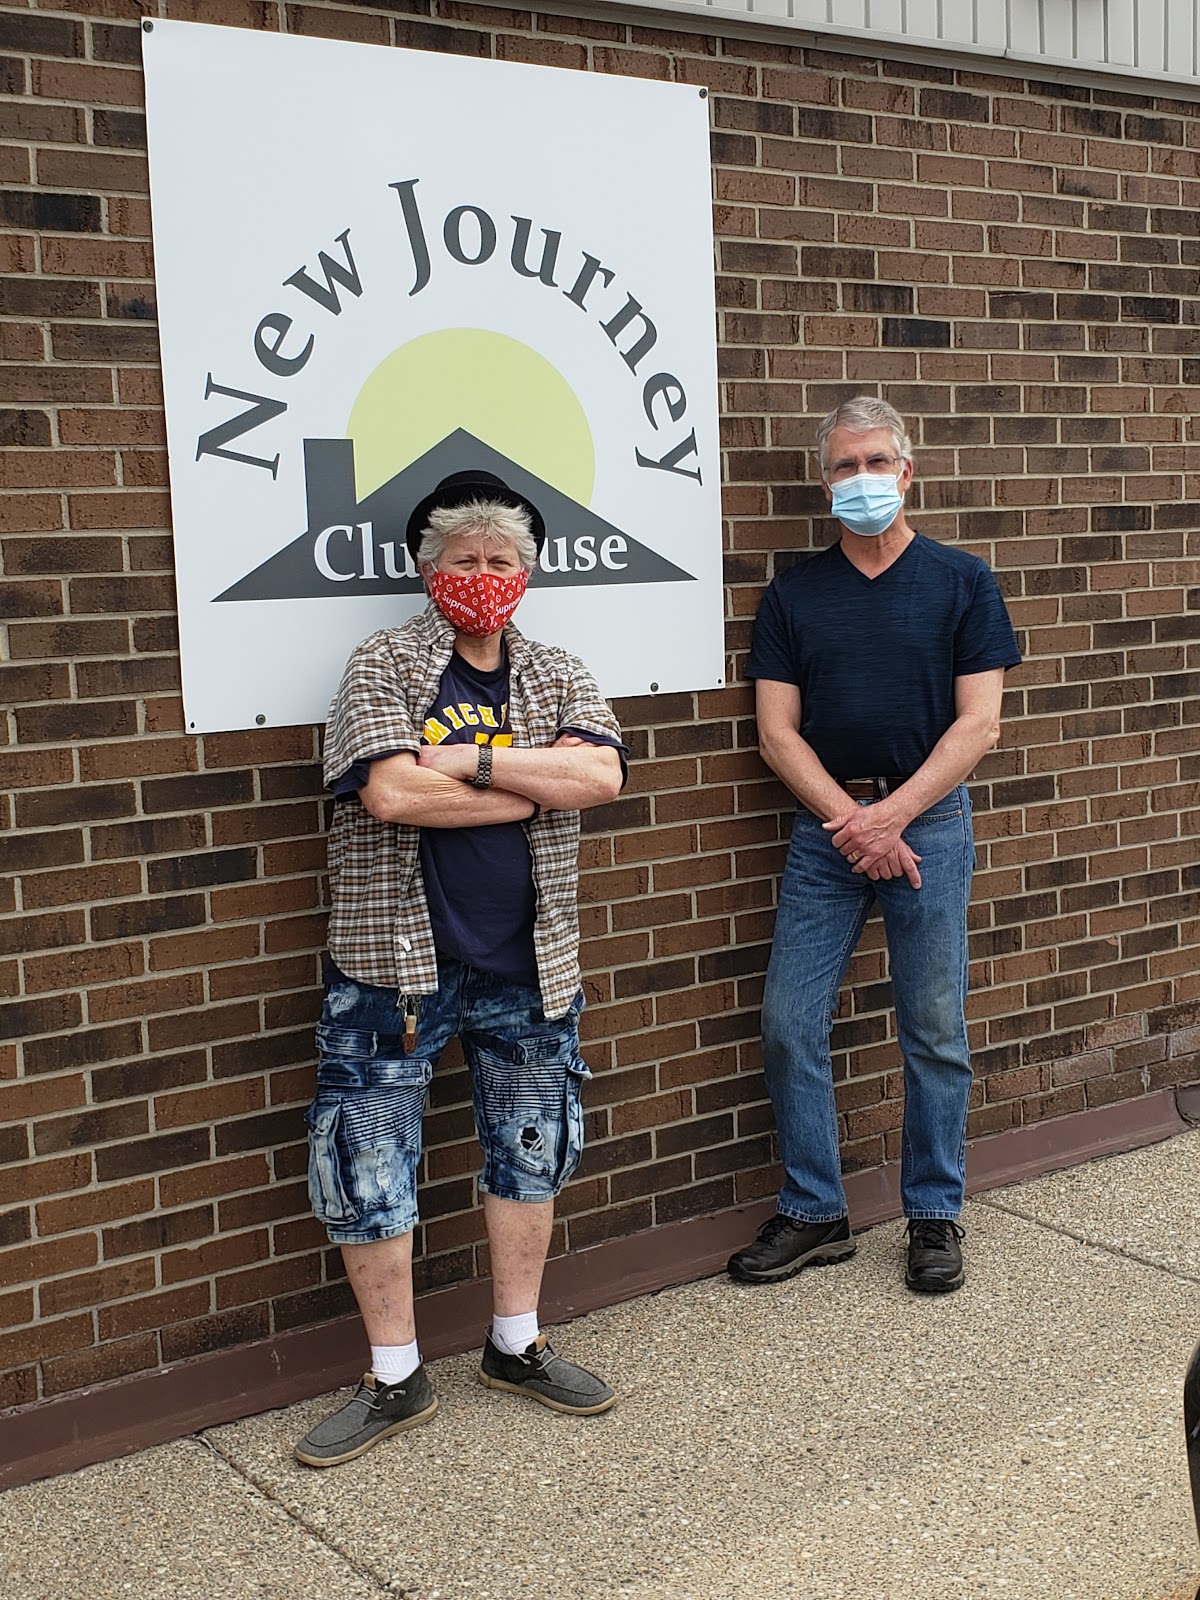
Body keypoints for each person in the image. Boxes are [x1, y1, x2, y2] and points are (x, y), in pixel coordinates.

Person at [296, 470, 626, 1468]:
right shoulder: (384, 663)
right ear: (426, 568)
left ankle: (515, 1345)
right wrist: (529, 782)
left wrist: (470, 762)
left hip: (531, 964)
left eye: (501, 558)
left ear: (527, 572)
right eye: (463, 558)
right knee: (367, 1163)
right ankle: (394, 1373)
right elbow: (391, 795)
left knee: (531, 1149)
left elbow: (601, 774)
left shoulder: (557, 670)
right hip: (393, 969)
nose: (483, 573)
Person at [727, 397, 1020, 1296]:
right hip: (828, 834)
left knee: (934, 1030)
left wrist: (892, 816)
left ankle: (934, 1212)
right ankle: (815, 1210)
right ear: (825, 485)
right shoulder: (794, 595)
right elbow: (777, 734)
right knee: (789, 1022)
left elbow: (979, 726)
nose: (862, 480)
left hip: (928, 827)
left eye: (876, 462)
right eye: (844, 467)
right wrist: (855, 823)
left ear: (907, 472)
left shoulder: (962, 582)